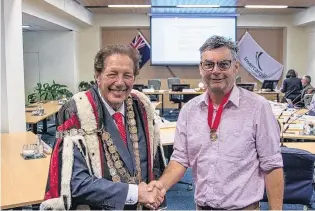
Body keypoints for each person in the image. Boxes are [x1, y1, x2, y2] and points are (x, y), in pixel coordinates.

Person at [148, 35, 284, 210]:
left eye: (223, 64)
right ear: (200, 68)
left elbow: (272, 165)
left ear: (236, 67)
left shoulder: (258, 108)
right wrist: (161, 186)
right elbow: (180, 159)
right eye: (209, 64)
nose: (215, 70)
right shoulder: (189, 111)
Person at [41, 45, 166, 210]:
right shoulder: (76, 111)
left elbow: (153, 164)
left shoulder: (141, 107)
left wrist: (153, 192)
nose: (120, 82)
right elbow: (76, 183)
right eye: (112, 74)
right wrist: (135, 194)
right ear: (98, 76)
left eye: (127, 75)